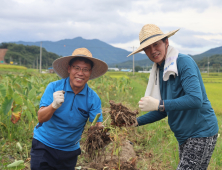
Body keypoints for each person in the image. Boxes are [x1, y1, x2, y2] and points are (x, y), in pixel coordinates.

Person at [127, 24, 218, 170]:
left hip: (200, 131)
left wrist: (159, 103)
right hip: (184, 136)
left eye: (156, 44)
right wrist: (135, 122)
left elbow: (195, 99)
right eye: (147, 48)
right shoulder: (160, 70)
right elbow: (164, 109)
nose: (153, 51)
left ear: (166, 42)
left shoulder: (183, 62)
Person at [30, 48, 108, 170]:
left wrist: (103, 131)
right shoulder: (54, 87)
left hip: (69, 151)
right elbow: (41, 117)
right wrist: (53, 106)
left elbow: (96, 125)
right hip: (44, 145)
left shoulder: (93, 98)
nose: (80, 73)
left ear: (90, 72)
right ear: (69, 69)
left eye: (85, 69)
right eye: (77, 68)